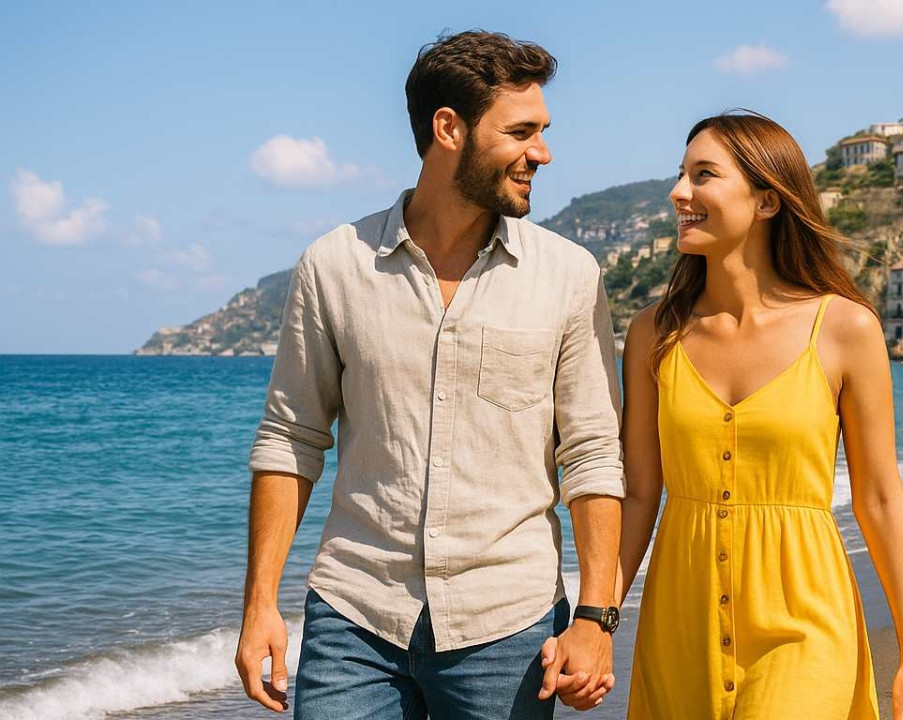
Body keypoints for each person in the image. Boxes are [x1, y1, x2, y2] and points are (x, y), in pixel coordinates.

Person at [235, 31, 624, 719]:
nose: (542, 153)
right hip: (354, 619)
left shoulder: (569, 274)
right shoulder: (334, 265)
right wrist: (259, 604)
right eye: (521, 132)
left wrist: (595, 618)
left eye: (542, 131)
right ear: (449, 129)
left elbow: (592, 451)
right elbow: (291, 438)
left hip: (508, 626)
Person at [614, 112, 903, 720]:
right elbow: (638, 493)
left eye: (703, 175)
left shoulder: (845, 328)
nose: (679, 192)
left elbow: (879, 496)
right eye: (681, 174)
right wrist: (598, 618)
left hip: (805, 619)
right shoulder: (652, 334)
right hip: (679, 624)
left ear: (767, 201)